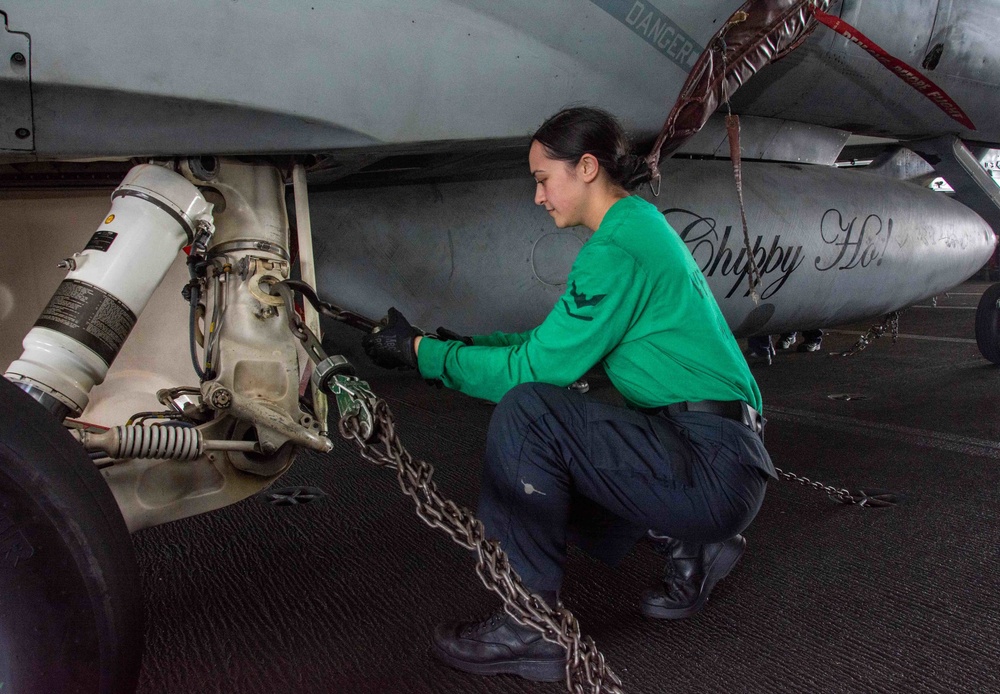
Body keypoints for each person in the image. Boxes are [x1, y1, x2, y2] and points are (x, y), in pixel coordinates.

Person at [361, 107, 776, 683]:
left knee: (529, 417)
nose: (538, 196)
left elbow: (534, 371)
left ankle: (531, 628)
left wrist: (417, 354)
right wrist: (457, 345)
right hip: (715, 452)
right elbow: (549, 341)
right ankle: (693, 543)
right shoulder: (636, 227)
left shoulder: (618, 248)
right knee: (556, 434)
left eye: (541, 179)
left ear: (586, 168)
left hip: (710, 463)